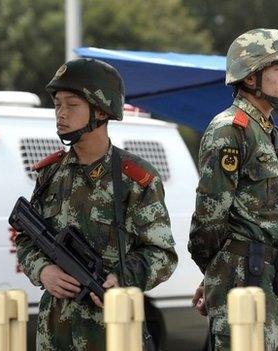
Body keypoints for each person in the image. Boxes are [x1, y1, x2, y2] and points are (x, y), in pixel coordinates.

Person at [15, 58, 177, 350]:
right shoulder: (51, 173)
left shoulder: (134, 179)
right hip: (54, 335)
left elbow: (162, 254)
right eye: (57, 105)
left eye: (72, 105)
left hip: (112, 334)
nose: (61, 114)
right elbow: (27, 240)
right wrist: (43, 271)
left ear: (101, 111)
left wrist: (121, 279)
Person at [188, 29, 278, 351]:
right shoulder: (230, 129)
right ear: (251, 76)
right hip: (247, 284)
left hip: (277, 286)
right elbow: (209, 221)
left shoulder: (269, 132)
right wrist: (217, 275)